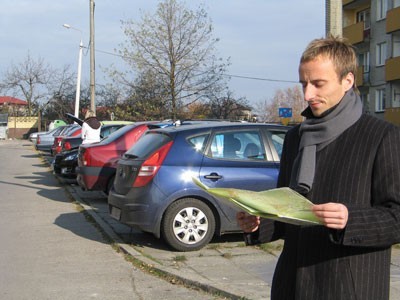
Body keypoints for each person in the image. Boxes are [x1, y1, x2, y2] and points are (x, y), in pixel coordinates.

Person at [237, 35, 400, 300]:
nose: (307, 94)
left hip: (349, 287)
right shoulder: (295, 137)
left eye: (318, 84)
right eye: (303, 83)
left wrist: (351, 220)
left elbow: (397, 216)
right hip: (292, 285)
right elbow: (287, 209)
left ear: (347, 81)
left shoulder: (383, 137)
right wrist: (258, 224)